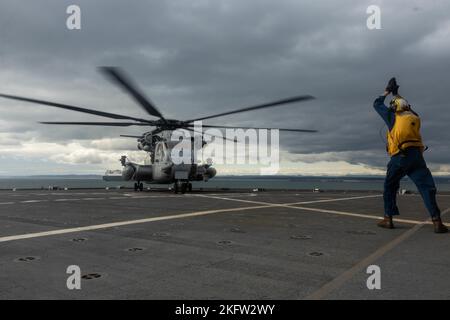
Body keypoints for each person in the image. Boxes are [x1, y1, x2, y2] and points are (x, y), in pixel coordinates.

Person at [373, 78, 448, 233]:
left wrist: (387, 91)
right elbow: (405, 106)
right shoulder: (415, 118)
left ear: (394, 108)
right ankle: (437, 222)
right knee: (427, 189)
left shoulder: (393, 117)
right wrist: (397, 94)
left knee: (390, 186)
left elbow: (377, 104)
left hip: (400, 156)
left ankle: (388, 218)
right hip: (417, 157)